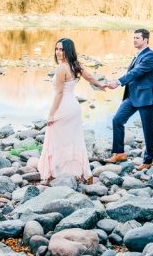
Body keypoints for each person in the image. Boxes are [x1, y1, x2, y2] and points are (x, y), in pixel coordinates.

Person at [38, 38, 105, 184]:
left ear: (68, 50)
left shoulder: (61, 68)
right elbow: (89, 77)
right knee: (73, 139)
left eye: (61, 49)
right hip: (74, 107)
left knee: (54, 137)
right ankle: (75, 172)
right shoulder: (76, 65)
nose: (58, 52)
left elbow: (59, 94)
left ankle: (58, 172)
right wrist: (101, 85)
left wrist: (51, 114)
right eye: (56, 49)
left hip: (64, 107)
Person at [105, 28, 153, 170]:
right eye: (133, 38)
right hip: (132, 96)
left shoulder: (150, 56)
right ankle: (119, 153)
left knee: (148, 130)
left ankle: (148, 160)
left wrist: (118, 81)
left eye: (137, 38)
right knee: (117, 120)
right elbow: (133, 73)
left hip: (147, 98)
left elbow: (136, 72)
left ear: (145, 40)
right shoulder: (138, 55)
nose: (134, 40)